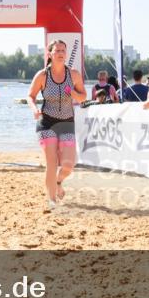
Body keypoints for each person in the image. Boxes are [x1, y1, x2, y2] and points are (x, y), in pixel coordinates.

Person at [28, 39, 87, 210]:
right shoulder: (43, 75)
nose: (61, 53)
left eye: (63, 50)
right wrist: (34, 109)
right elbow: (30, 96)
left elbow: (83, 97)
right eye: (57, 50)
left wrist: (73, 92)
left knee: (68, 165)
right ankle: (52, 201)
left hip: (67, 122)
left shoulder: (73, 74)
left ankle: (59, 182)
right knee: (52, 163)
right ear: (50, 54)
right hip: (46, 122)